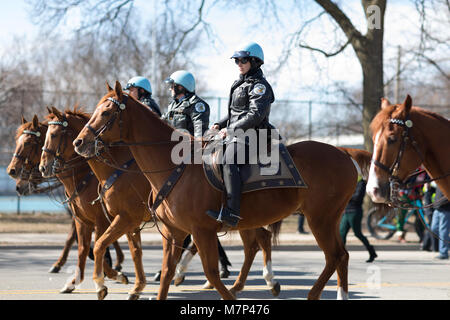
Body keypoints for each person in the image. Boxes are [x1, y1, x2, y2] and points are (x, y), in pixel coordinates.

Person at [161, 70, 231, 280]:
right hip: (172, 159)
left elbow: (199, 136)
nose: (171, 89)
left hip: (190, 158)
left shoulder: (197, 105)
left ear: (182, 86)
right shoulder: (173, 106)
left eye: (173, 85)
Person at [207, 42, 275, 228]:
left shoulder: (260, 86)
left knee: (229, 160)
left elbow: (255, 114)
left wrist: (229, 130)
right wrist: (219, 124)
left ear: (255, 61)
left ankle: (233, 212)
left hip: (255, 135)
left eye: (243, 60)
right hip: (238, 134)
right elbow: (235, 112)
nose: (239, 63)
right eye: (236, 60)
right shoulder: (241, 83)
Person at [339, 176, 377, 263]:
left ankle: (372, 252)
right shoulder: (349, 183)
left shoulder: (361, 183)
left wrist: (345, 195)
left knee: (358, 234)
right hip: (346, 211)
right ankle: (341, 255)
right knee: (341, 233)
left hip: (355, 212)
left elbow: (357, 197)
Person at [162, 70, 210, 139]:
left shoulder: (196, 104)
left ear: (180, 87)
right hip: (170, 145)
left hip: (188, 147)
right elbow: (162, 121)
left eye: (172, 86)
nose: (170, 89)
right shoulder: (173, 105)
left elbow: (199, 132)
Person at [430, 186, 450, 260]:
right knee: (434, 229)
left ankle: (443, 253)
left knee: (443, 231)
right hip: (437, 208)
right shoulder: (439, 180)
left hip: (446, 209)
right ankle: (446, 245)